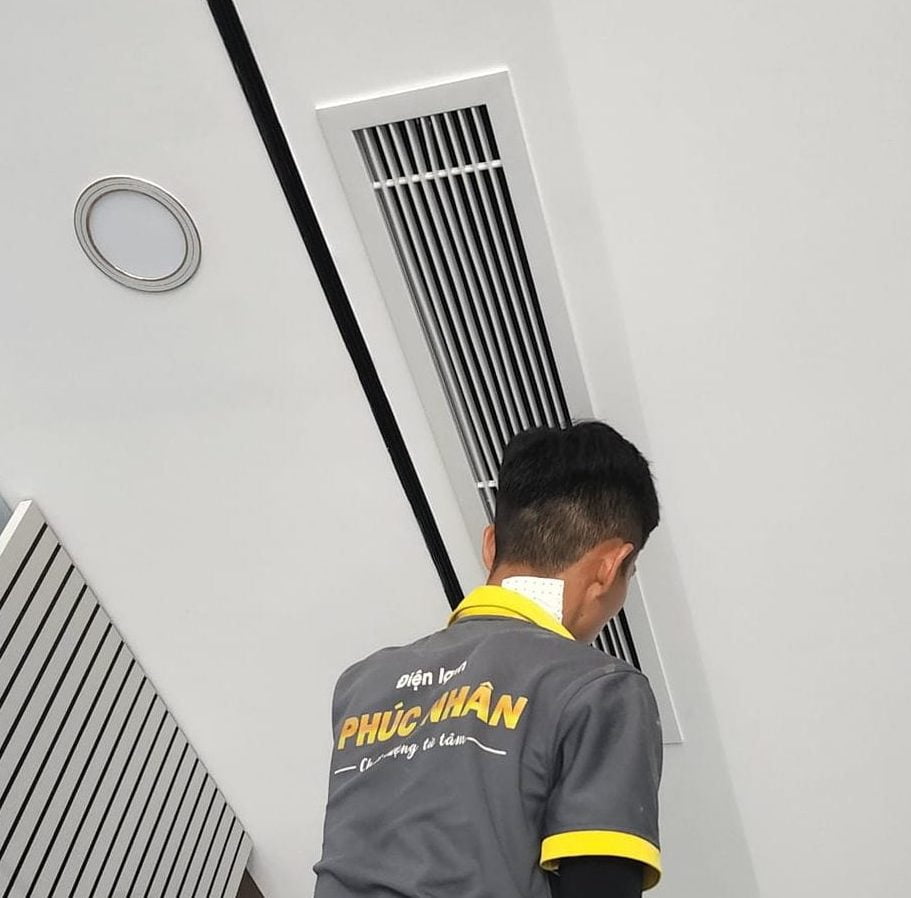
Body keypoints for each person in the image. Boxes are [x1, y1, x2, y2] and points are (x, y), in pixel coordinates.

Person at [313, 421, 663, 898]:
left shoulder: (362, 685)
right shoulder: (599, 689)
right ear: (610, 566)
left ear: (491, 544)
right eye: (630, 573)